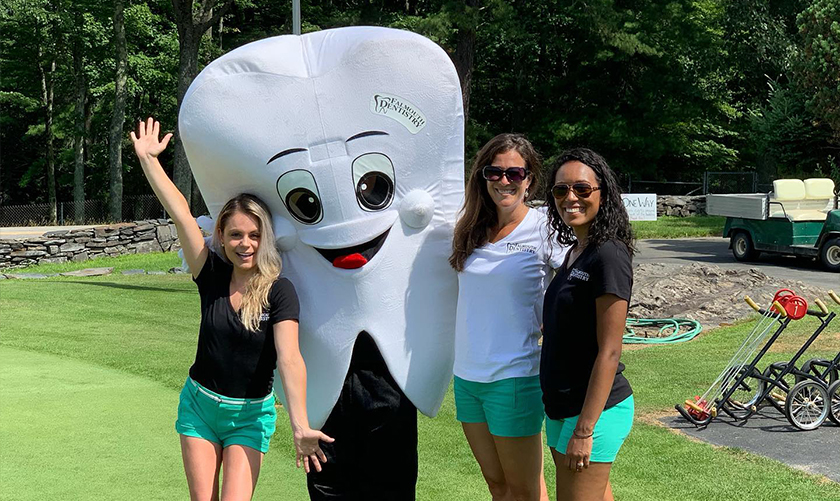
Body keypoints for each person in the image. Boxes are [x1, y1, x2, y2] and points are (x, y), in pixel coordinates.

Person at [130, 117, 333, 501]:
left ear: (266, 237)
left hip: (249, 416)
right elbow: (181, 215)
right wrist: (148, 160)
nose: (245, 244)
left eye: (255, 235)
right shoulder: (210, 273)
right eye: (236, 234)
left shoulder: (280, 292)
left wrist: (300, 425)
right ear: (221, 235)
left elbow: (289, 359)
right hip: (200, 408)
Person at [449, 133, 567, 501]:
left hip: (515, 378)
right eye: (494, 172)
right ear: (482, 178)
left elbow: (578, 287)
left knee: (526, 491)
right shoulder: (468, 228)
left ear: (529, 179)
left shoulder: (546, 227)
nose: (504, 181)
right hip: (467, 378)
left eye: (515, 174)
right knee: (497, 486)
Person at [540, 148, 635, 501]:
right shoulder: (576, 251)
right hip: (561, 407)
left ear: (603, 194)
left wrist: (585, 429)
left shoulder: (609, 254)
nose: (570, 198)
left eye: (582, 189)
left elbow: (610, 351)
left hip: (593, 412)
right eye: (561, 190)